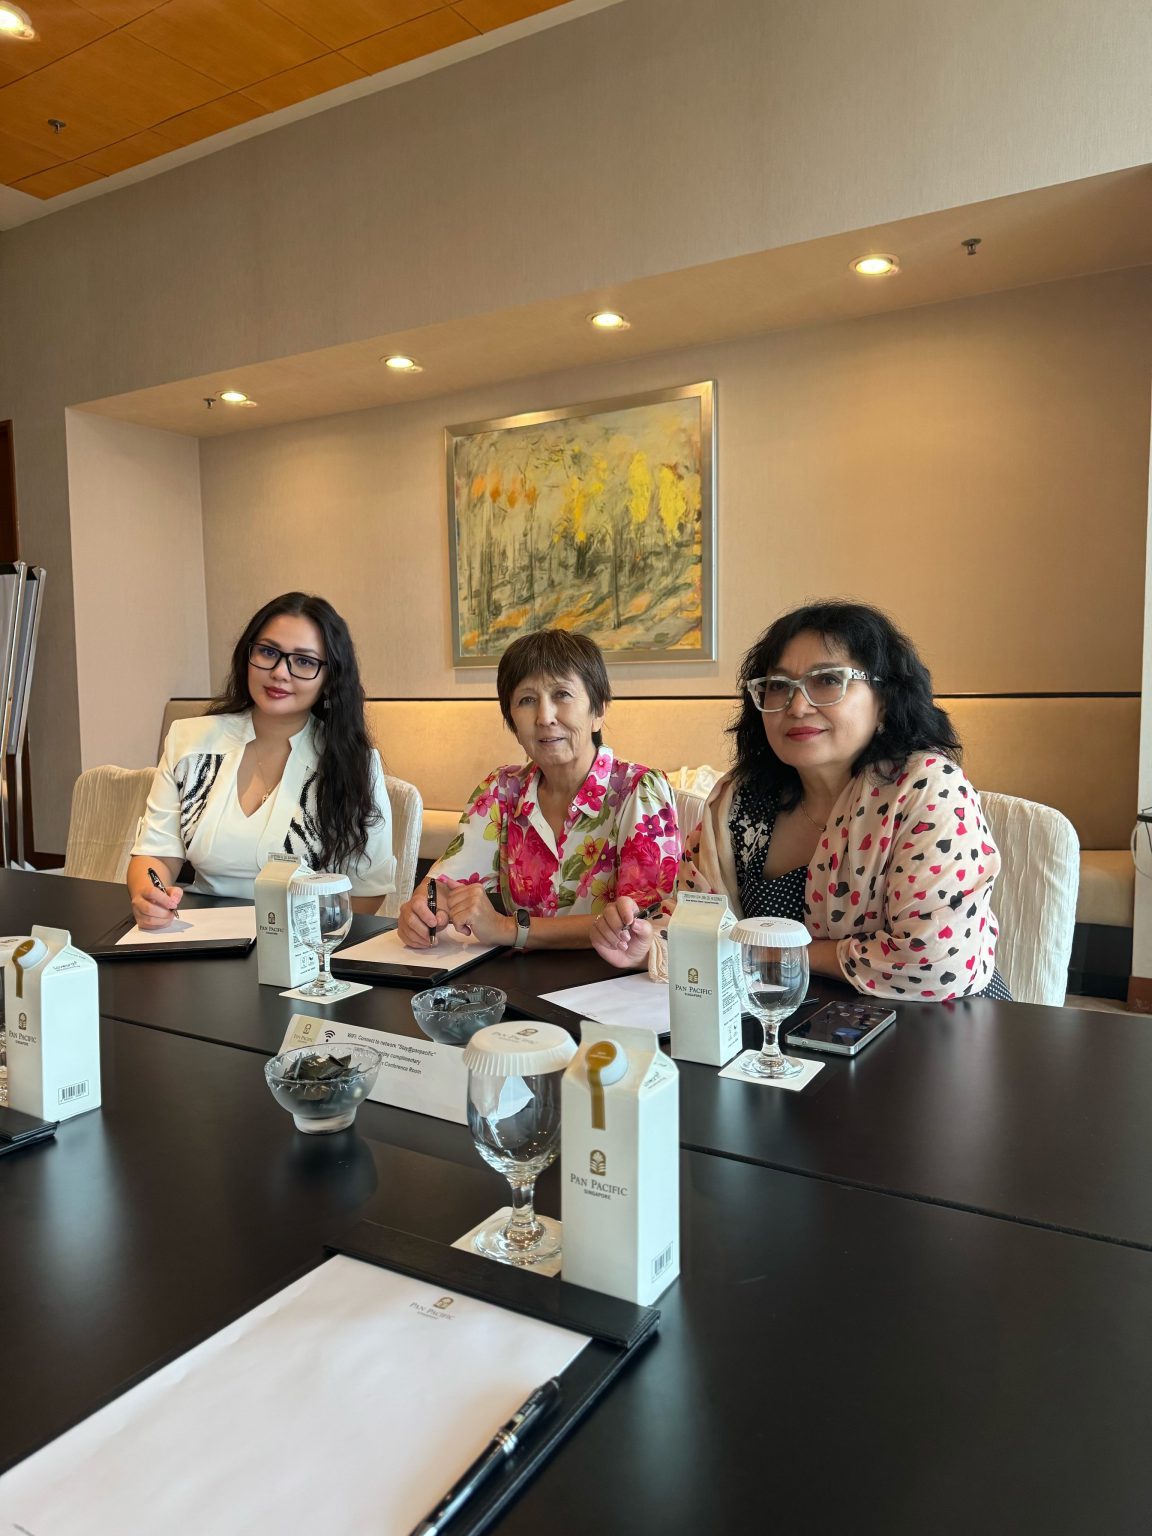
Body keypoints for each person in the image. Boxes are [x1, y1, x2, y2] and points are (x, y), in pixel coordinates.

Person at [591, 601, 1009, 1001]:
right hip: (786, 1023)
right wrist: (647, 945)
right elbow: (694, 920)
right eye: (778, 686)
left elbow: (934, 961)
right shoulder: (742, 802)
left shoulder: (925, 789)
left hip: (939, 1022)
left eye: (827, 680)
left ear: (884, 701)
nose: (797, 705)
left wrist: (773, 955)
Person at [397, 629, 678, 952]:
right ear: (513, 723)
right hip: (518, 975)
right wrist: (420, 912)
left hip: (613, 977)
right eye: (527, 700)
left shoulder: (640, 791)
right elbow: (442, 886)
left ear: (599, 711)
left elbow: (646, 924)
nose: (545, 717)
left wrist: (509, 928)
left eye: (562, 694)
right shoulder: (503, 789)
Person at [128, 592, 395, 929]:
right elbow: (156, 854)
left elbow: (366, 892)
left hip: (304, 942)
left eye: (304, 661)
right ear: (247, 655)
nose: (280, 672)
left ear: (330, 678)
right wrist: (149, 896)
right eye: (268, 652)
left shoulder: (354, 764)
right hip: (200, 933)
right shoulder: (190, 741)